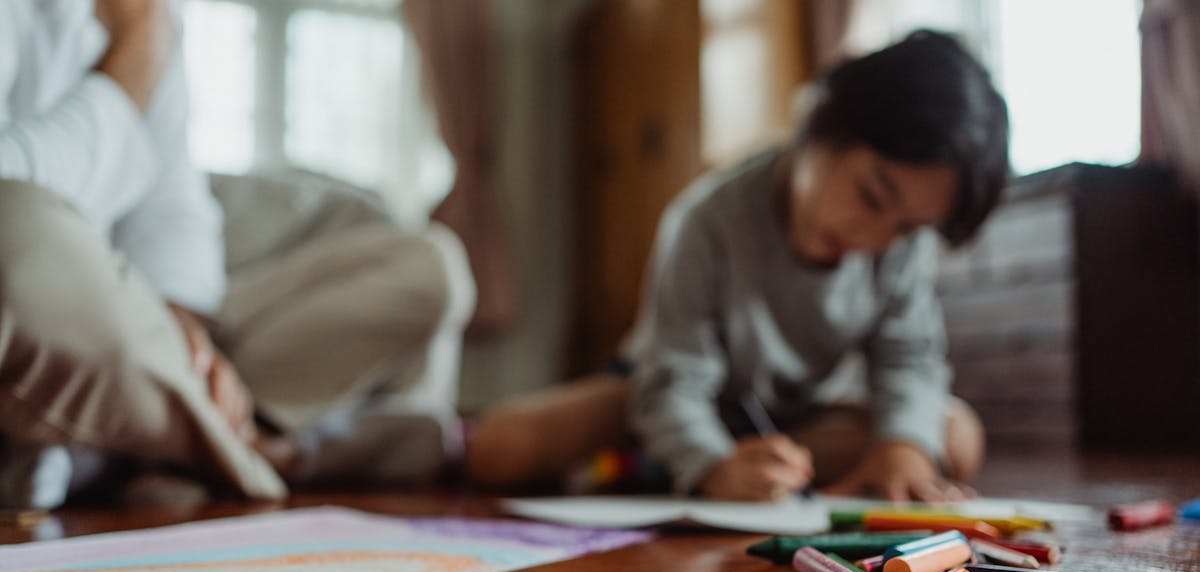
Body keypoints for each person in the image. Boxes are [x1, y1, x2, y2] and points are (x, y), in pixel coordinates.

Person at [467, 30, 1008, 502]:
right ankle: (678, 460)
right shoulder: (708, 219)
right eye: (870, 194)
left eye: (908, 227)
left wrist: (902, 448)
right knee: (500, 446)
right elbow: (671, 381)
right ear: (822, 124)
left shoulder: (898, 245)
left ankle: (677, 469)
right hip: (660, 390)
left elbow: (908, 360)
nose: (875, 237)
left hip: (791, 417)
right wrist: (710, 463)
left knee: (955, 436)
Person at [0, 0, 473, 508]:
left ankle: (173, 442)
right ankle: (245, 456)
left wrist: (188, 332)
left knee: (429, 265)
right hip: (63, 319)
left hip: (133, 336)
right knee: (17, 234)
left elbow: (171, 206)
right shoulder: (142, 27)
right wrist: (138, 52)